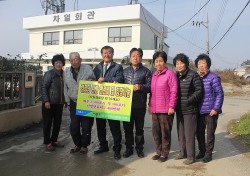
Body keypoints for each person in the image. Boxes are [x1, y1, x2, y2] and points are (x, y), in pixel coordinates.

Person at [93, 45, 124, 159]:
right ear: (102, 55)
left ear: (113, 54)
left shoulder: (118, 67)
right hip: (100, 103)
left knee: (114, 127)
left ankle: (117, 148)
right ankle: (103, 146)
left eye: (109, 52)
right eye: (105, 53)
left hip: (112, 104)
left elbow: (120, 79)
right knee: (100, 127)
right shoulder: (97, 67)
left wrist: (106, 80)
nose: (107, 54)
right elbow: (92, 80)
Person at [173, 53, 203, 165]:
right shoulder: (176, 76)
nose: (179, 65)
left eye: (181, 63)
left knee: (189, 134)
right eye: (177, 63)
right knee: (181, 133)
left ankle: (191, 157)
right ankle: (183, 153)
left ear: (186, 64)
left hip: (190, 110)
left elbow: (199, 91)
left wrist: (188, 100)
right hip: (179, 110)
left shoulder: (193, 75)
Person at [64, 52, 96, 154]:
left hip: (86, 101)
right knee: (74, 126)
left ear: (80, 60)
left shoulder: (87, 69)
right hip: (73, 102)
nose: (74, 62)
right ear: (70, 61)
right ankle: (77, 144)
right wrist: (68, 102)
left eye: (76, 59)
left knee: (86, 126)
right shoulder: (66, 71)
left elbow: (94, 82)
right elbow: (65, 88)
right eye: (72, 60)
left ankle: (84, 146)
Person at [149, 51, 178, 163]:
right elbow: (151, 92)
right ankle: (158, 151)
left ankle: (165, 153)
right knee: (156, 132)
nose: (159, 63)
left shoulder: (170, 74)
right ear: (154, 63)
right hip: (155, 109)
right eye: (156, 61)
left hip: (166, 109)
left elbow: (174, 91)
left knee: (165, 132)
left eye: (161, 61)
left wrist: (172, 106)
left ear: (165, 62)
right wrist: (150, 105)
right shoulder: (154, 75)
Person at [122, 48, 152, 158]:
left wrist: (140, 87)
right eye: (133, 55)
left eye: (138, 55)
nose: (135, 57)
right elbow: (119, 85)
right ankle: (128, 148)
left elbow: (150, 87)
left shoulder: (146, 71)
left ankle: (139, 148)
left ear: (141, 58)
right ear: (130, 58)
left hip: (139, 105)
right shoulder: (124, 71)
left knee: (139, 129)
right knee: (127, 129)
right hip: (125, 106)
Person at [195, 53, 224, 163]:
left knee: (210, 133)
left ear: (208, 65)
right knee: (199, 133)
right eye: (199, 63)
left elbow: (219, 94)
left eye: (203, 63)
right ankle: (202, 151)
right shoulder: (197, 77)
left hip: (211, 111)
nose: (201, 65)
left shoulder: (214, 77)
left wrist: (215, 108)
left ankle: (208, 154)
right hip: (199, 110)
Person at [42, 54, 66, 151]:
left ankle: (54, 140)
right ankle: (47, 142)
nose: (58, 64)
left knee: (57, 123)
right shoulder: (49, 74)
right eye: (56, 63)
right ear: (53, 64)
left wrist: (65, 101)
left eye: (60, 63)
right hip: (49, 103)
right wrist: (46, 101)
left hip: (59, 104)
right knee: (47, 123)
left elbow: (65, 89)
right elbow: (44, 87)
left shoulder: (64, 74)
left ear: (63, 64)